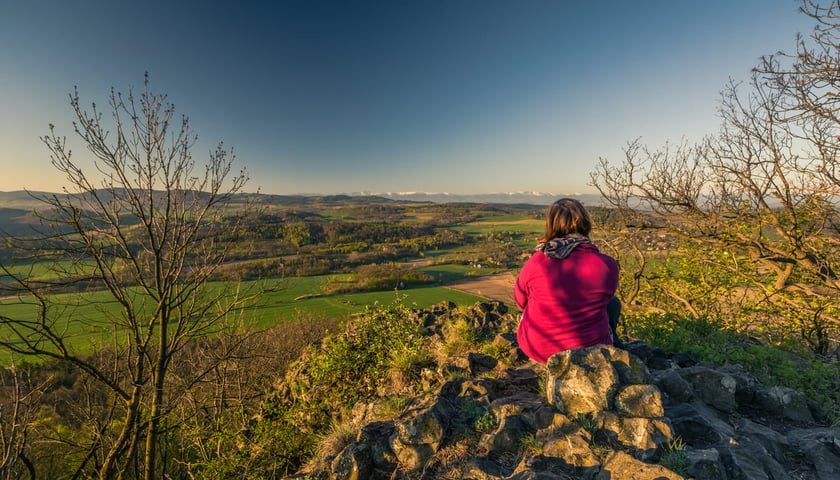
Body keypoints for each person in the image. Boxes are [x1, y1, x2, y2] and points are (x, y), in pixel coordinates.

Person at [515, 198, 621, 363]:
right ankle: (615, 346)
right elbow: (605, 300)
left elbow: (520, 302)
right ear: (586, 223)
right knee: (613, 304)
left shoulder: (537, 261)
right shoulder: (607, 264)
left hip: (539, 349)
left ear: (551, 225)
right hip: (590, 349)